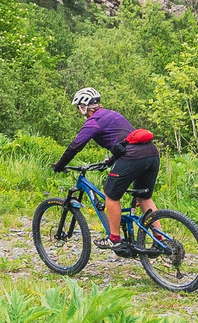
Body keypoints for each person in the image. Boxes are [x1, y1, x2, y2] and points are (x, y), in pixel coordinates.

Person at [51, 86, 159, 258]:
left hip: (133, 157)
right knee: (144, 197)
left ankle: (114, 239)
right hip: (151, 154)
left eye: (79, 107)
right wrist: (110, 162)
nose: (80, 110)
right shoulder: (113, 114)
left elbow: (75, 146)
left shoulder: (93, 121)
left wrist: (59, 165)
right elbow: (123, 143)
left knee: (111, 194)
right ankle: (160, 240)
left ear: (84, 106)